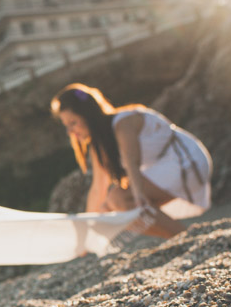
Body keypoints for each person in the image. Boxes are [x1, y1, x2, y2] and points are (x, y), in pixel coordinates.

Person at [51, 83, 212, 238]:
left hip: (185, 160)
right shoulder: (100, 143)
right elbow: (98, 188)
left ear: (88, 115)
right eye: (67, 126)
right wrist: (85, 231)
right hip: (165, 168)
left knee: (120, 200)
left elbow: (131, 161)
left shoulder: (123, 122)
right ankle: (181, 238)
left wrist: (138, 195)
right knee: (108, 210)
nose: (71, 132)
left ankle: (185, 237)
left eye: (73, 123)